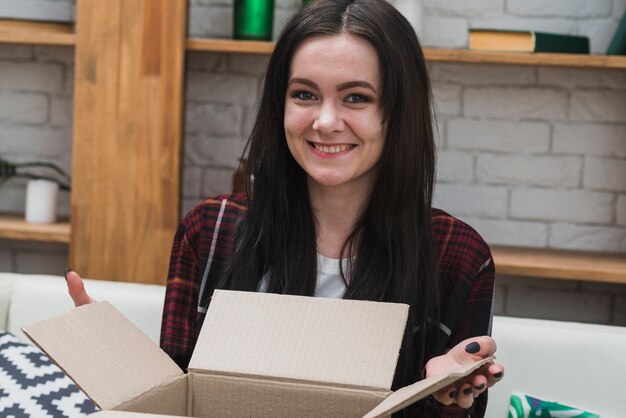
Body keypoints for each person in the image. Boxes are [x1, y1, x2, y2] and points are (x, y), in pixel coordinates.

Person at [66, 0, 504, 415]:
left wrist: (437, 398)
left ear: (398, 112)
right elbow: (179, 401)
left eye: (356, 98)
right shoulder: (209, 229)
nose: (325, 122)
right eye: (305, 95)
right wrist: (118, 363)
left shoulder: (459, 256)